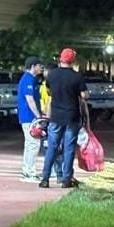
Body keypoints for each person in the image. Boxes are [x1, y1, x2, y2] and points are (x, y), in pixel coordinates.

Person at [40, 48, 88, 189]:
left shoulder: (52, 74)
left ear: (60, 59)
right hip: (71, 116)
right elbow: (84, 95)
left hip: (55, 116)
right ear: (72, 61)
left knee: (52, 147)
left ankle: (45, 179)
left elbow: (49, 90)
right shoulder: (77, 76)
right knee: (69, 148)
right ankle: (66, 179)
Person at [17, 56, 46, 183]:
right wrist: (38, 116)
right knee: (33, 144)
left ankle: (27, 171)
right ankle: (30, 173)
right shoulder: (28, 79)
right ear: (33, 66)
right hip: (29, 117)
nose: (41, 68)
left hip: (29, 117)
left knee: (30, 144)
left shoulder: (30, 79)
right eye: (39, 66)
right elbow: (30, 100)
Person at [39, 64, 63, 183]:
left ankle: (54, 174)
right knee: (54, 147)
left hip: (52, 118)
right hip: (50, 118)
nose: (44, 73)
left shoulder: (51, 85)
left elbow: (50, 101)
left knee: (53, 148)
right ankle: (58, 173)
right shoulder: (44, 86)